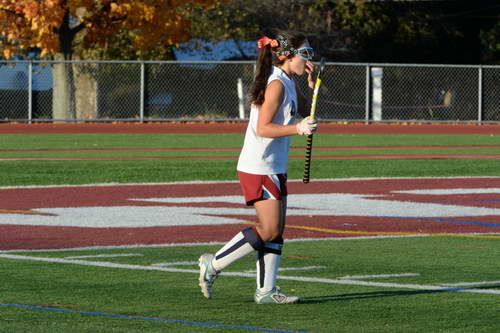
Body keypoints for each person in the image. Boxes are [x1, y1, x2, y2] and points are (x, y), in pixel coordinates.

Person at [198, 30, 318, 304]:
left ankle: (266, 291)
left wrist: (311, 85)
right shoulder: (276, 84)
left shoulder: (288, 80)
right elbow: (263, 128)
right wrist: (298, 129)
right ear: (288, 55)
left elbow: (297, 112)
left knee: (277, 230)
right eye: (305, 54)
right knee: (269, 229)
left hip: (273, 164)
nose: (309, 59)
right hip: (259, 165)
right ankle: (213, 264)